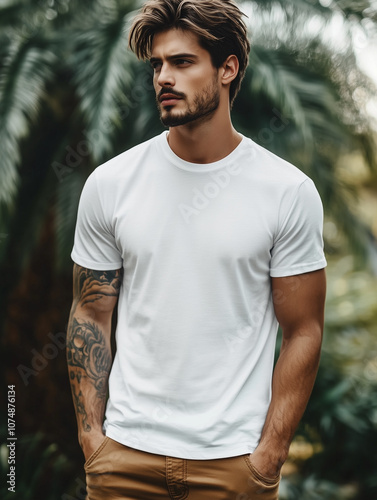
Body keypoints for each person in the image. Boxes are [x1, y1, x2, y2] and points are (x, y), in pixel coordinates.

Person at [66, 0, 327, 498]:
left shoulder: (286, 192)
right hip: (123, 458)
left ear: (228, 68)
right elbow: (89, 311)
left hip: (232, 466)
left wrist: (268, 457)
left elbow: (303, 330)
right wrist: (91, 438)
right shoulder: (111, 184)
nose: (164, 77)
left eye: (183, 62)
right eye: (158, 64)